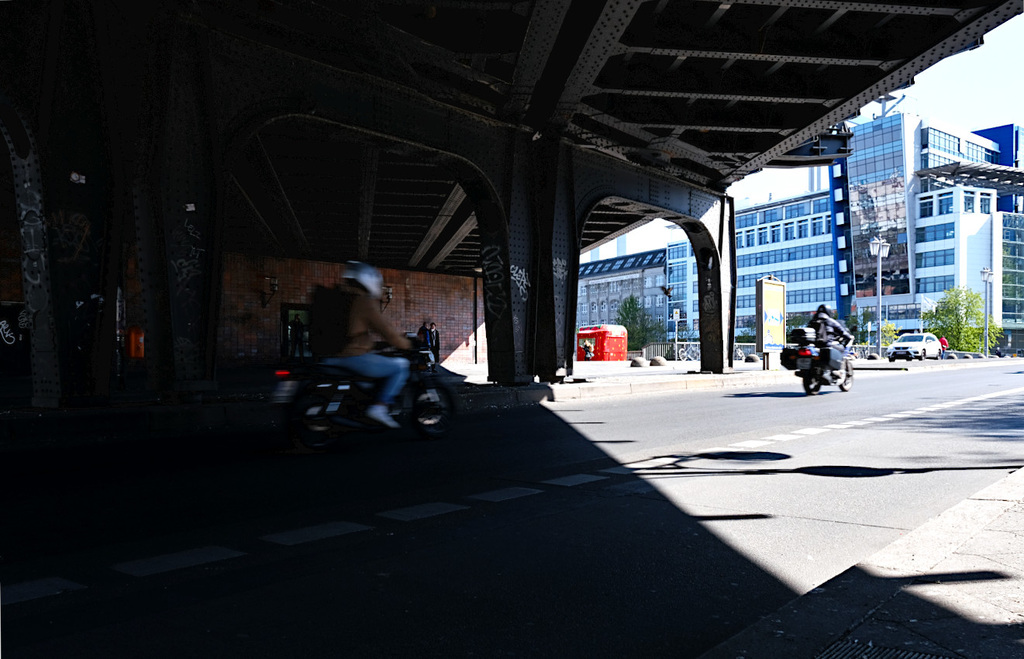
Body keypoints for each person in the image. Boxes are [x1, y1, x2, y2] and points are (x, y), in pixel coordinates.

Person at [316, 262, 412, 429]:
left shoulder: (340, 297)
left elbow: (353, 334)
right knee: (400, 366)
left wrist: (374, 345)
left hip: (329, 357)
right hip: (350, 357)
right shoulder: (363, 301)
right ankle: (380, 408)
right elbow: (387, 331)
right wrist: (406, 344)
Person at [807, 305, 853, 375]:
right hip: (827, 344)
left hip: (815, 346)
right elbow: (842, 331)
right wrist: (849, 337)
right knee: (842, 349)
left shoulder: (812, 321)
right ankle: (839, 370)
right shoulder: (830, 321)